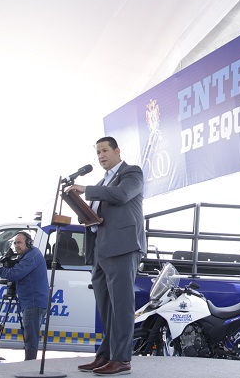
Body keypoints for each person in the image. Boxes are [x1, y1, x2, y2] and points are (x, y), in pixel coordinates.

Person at [68, 136, 146, 376]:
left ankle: (121, 359)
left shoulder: (131, 173)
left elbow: (121, 195)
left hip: (123, 247)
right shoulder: (103, 181)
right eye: (98, 152)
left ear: (117, 151)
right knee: (106, 307)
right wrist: (82, 210)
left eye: (104, 150)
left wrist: (86, 189)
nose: (101, 156)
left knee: (121, 305)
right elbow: (99, 213)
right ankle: (106, 354)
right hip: (101, 249)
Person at [0, 231, 49, 361]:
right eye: (15, 243)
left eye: (19, 242)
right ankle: (29, 365)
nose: (16, 245)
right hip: (31, 302)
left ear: (29, 243)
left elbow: (15, 274)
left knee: (31, 339)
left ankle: (29, 367)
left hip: (33, 303)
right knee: (30, 337)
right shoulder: (29, 255)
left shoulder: (32, 256)